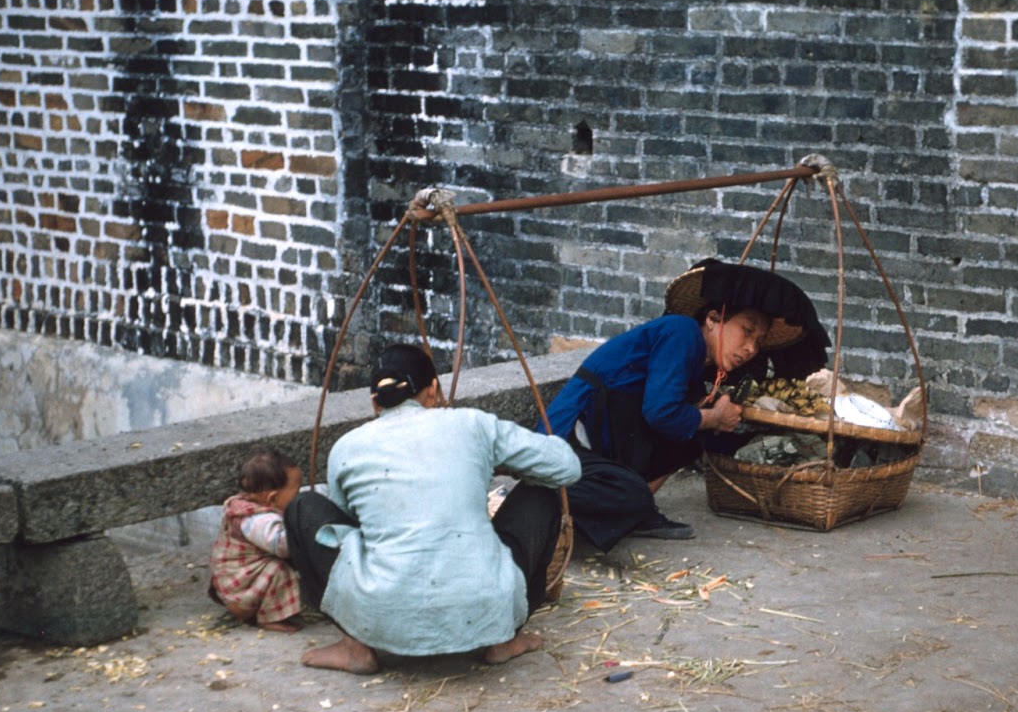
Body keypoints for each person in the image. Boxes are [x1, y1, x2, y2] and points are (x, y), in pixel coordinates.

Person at [282, 343, 580, 676]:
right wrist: (510, 464)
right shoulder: (474, 424)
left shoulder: (346, 447)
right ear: (434, 389)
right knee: (542, 493)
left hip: (384, 606)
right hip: (484, 602)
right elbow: (566, 468)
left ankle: (356, 647)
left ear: (374, 402)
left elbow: (350, 523)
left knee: (302, 506)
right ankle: (503, 638)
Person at [545, 258, 826, 552]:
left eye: (759, 340)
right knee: (630, 493)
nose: (751, 348)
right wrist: (714, 417)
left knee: (691, 435)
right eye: (746, 330)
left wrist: (711, 414)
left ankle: (632, 510)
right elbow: (661, 412)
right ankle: (563, 504)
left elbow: (677, 416)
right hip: (566, 441)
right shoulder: (681, 333)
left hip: (605, 436)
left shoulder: (696, 358)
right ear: (714, 319)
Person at [208, 448, 304, 633]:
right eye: (296, 491)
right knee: (278, 570)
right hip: (241, 595)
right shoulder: (258, 521)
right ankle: (269, 618)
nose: (298, 496)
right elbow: (283, 547)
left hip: (232, 586)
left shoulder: (248, 506)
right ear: (273, 498)